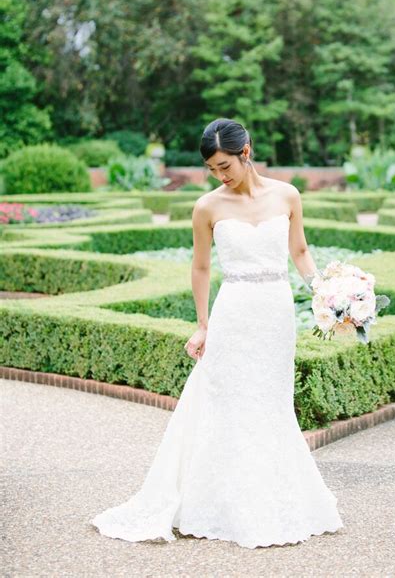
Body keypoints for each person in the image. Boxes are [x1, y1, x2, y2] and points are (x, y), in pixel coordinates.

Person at [89, 118, 344, 549]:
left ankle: (274, 498)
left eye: (224, 165)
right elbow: (202, 267)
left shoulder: (288, 195)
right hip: (234, 312)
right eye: (212, 168)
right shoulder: (208, 206)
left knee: (271, 403)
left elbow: (299, 251)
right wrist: (203, 324)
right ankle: (219, 503)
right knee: (227, 403)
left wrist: (327, 296)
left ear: (246, 152)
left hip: (275, 313)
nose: (219, 175)